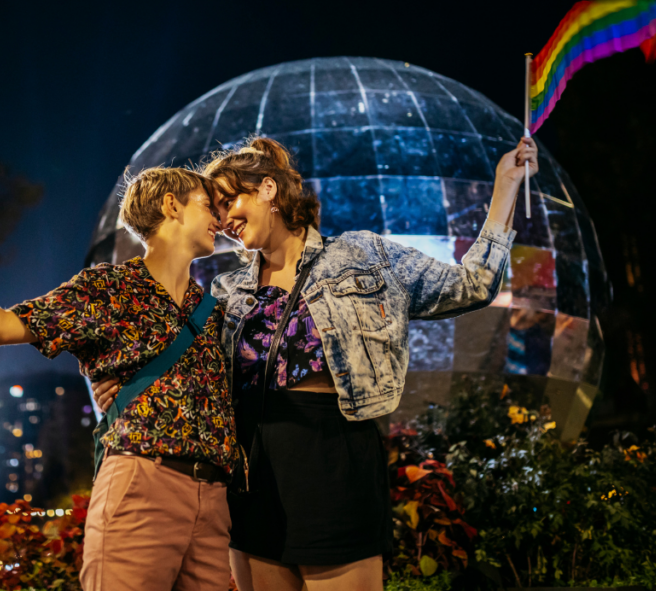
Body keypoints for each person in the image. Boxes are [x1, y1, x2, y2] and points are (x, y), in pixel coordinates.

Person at [96, 134, 536, 590]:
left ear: (268, 189)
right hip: (253, 472)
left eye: (228, 200)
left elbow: (474, 285)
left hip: (336, 461)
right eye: (215, 208)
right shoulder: (226, 292)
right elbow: (182, 370)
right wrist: (119, 380)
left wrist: (505, 186)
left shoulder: (363, 255)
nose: (222, 218)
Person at [0, 166, 241, 591]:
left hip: (213, 498)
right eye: (206, 204)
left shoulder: (212, 311)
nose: (218, 216)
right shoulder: (107, 288)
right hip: (143, 485)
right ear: (170, 205)